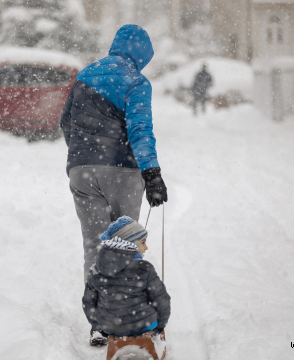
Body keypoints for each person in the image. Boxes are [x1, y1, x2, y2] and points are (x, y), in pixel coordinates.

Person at [60, 24, 168, 284]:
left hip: (82, 172)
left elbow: (66, 122)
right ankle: (123, 314)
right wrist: (151, 173)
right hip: (122, 171)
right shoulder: (136, 81)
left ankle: (97, 311)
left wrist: (83, 155)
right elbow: (140, 129)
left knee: (94, 247)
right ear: (142, 54)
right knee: (125, 245)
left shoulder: (85, 74)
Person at [82, 216, 171, 346]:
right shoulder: (145, 268)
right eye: (143, 242)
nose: (146, 247)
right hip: (144, 326)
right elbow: (162, 301)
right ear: (131, 243)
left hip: (110, 328)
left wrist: (100, 327)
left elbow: (88, 303)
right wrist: (159, 327)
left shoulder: (96, 270)